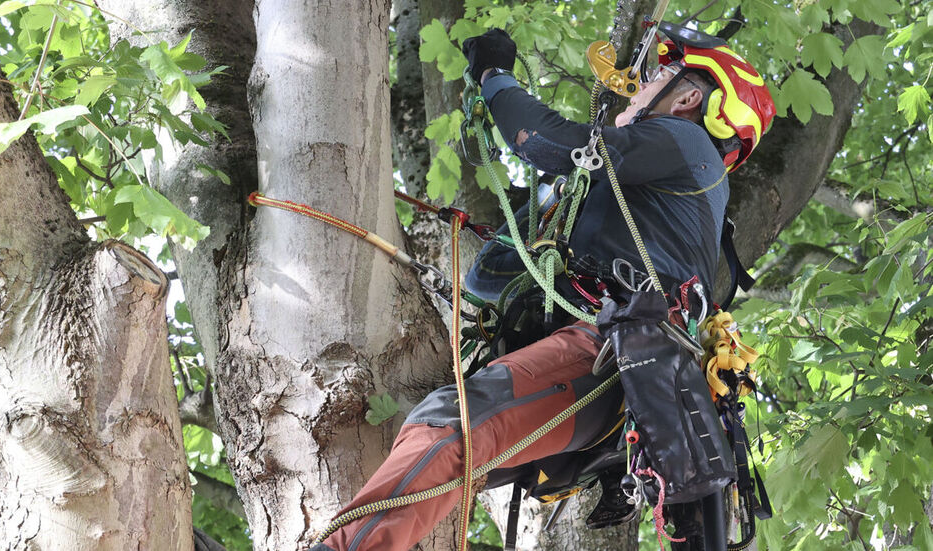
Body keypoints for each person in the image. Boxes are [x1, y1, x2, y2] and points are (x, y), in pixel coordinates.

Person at [311, 23, 775, 551]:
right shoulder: (649, 194)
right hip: (610, 370)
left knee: (450, 423)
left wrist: (493, 76)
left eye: (654, 77)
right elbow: (486, 278)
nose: (637, 86)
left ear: (689, 97)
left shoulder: (688, 142)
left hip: (605, 350)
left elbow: (551, 142)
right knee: (449, 440)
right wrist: (551, 203)